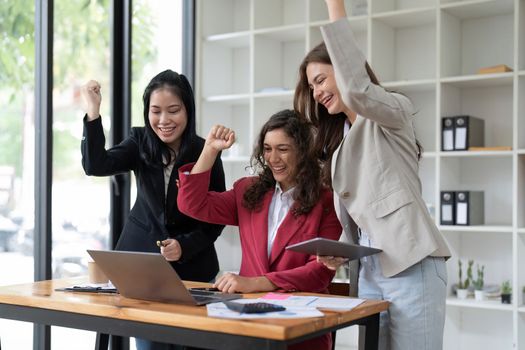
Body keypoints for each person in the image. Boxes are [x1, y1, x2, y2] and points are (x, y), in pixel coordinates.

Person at [293, 1, 451, 349]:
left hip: (412, 265)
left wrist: (334, 6)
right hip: (370, 273)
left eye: (321, 79)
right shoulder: (339, 146)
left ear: (346, 70)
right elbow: (364, 221)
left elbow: (357, 91)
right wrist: (342, 252)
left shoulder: (392, 112)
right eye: (312, 87)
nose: (317, 92)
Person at [81, 70, 226, 350]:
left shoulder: (205, 150)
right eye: (155, 111)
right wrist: (93, 113)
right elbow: (95, 165)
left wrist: (184, 246)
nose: (163, 120)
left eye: (173, 110)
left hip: (194, 269)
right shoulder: (139, 141)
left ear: (188, 109)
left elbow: (216, 218)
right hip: (142, 270)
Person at [176, 109, 342, 350]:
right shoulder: (248, 191)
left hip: (301, 330)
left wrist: (256, 283)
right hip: (248, 325)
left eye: (282, 149)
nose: (273, 158)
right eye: (267, 148)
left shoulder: (326, 200)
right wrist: (210, 150)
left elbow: (320, 271)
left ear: (304, 152)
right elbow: (193, 204)